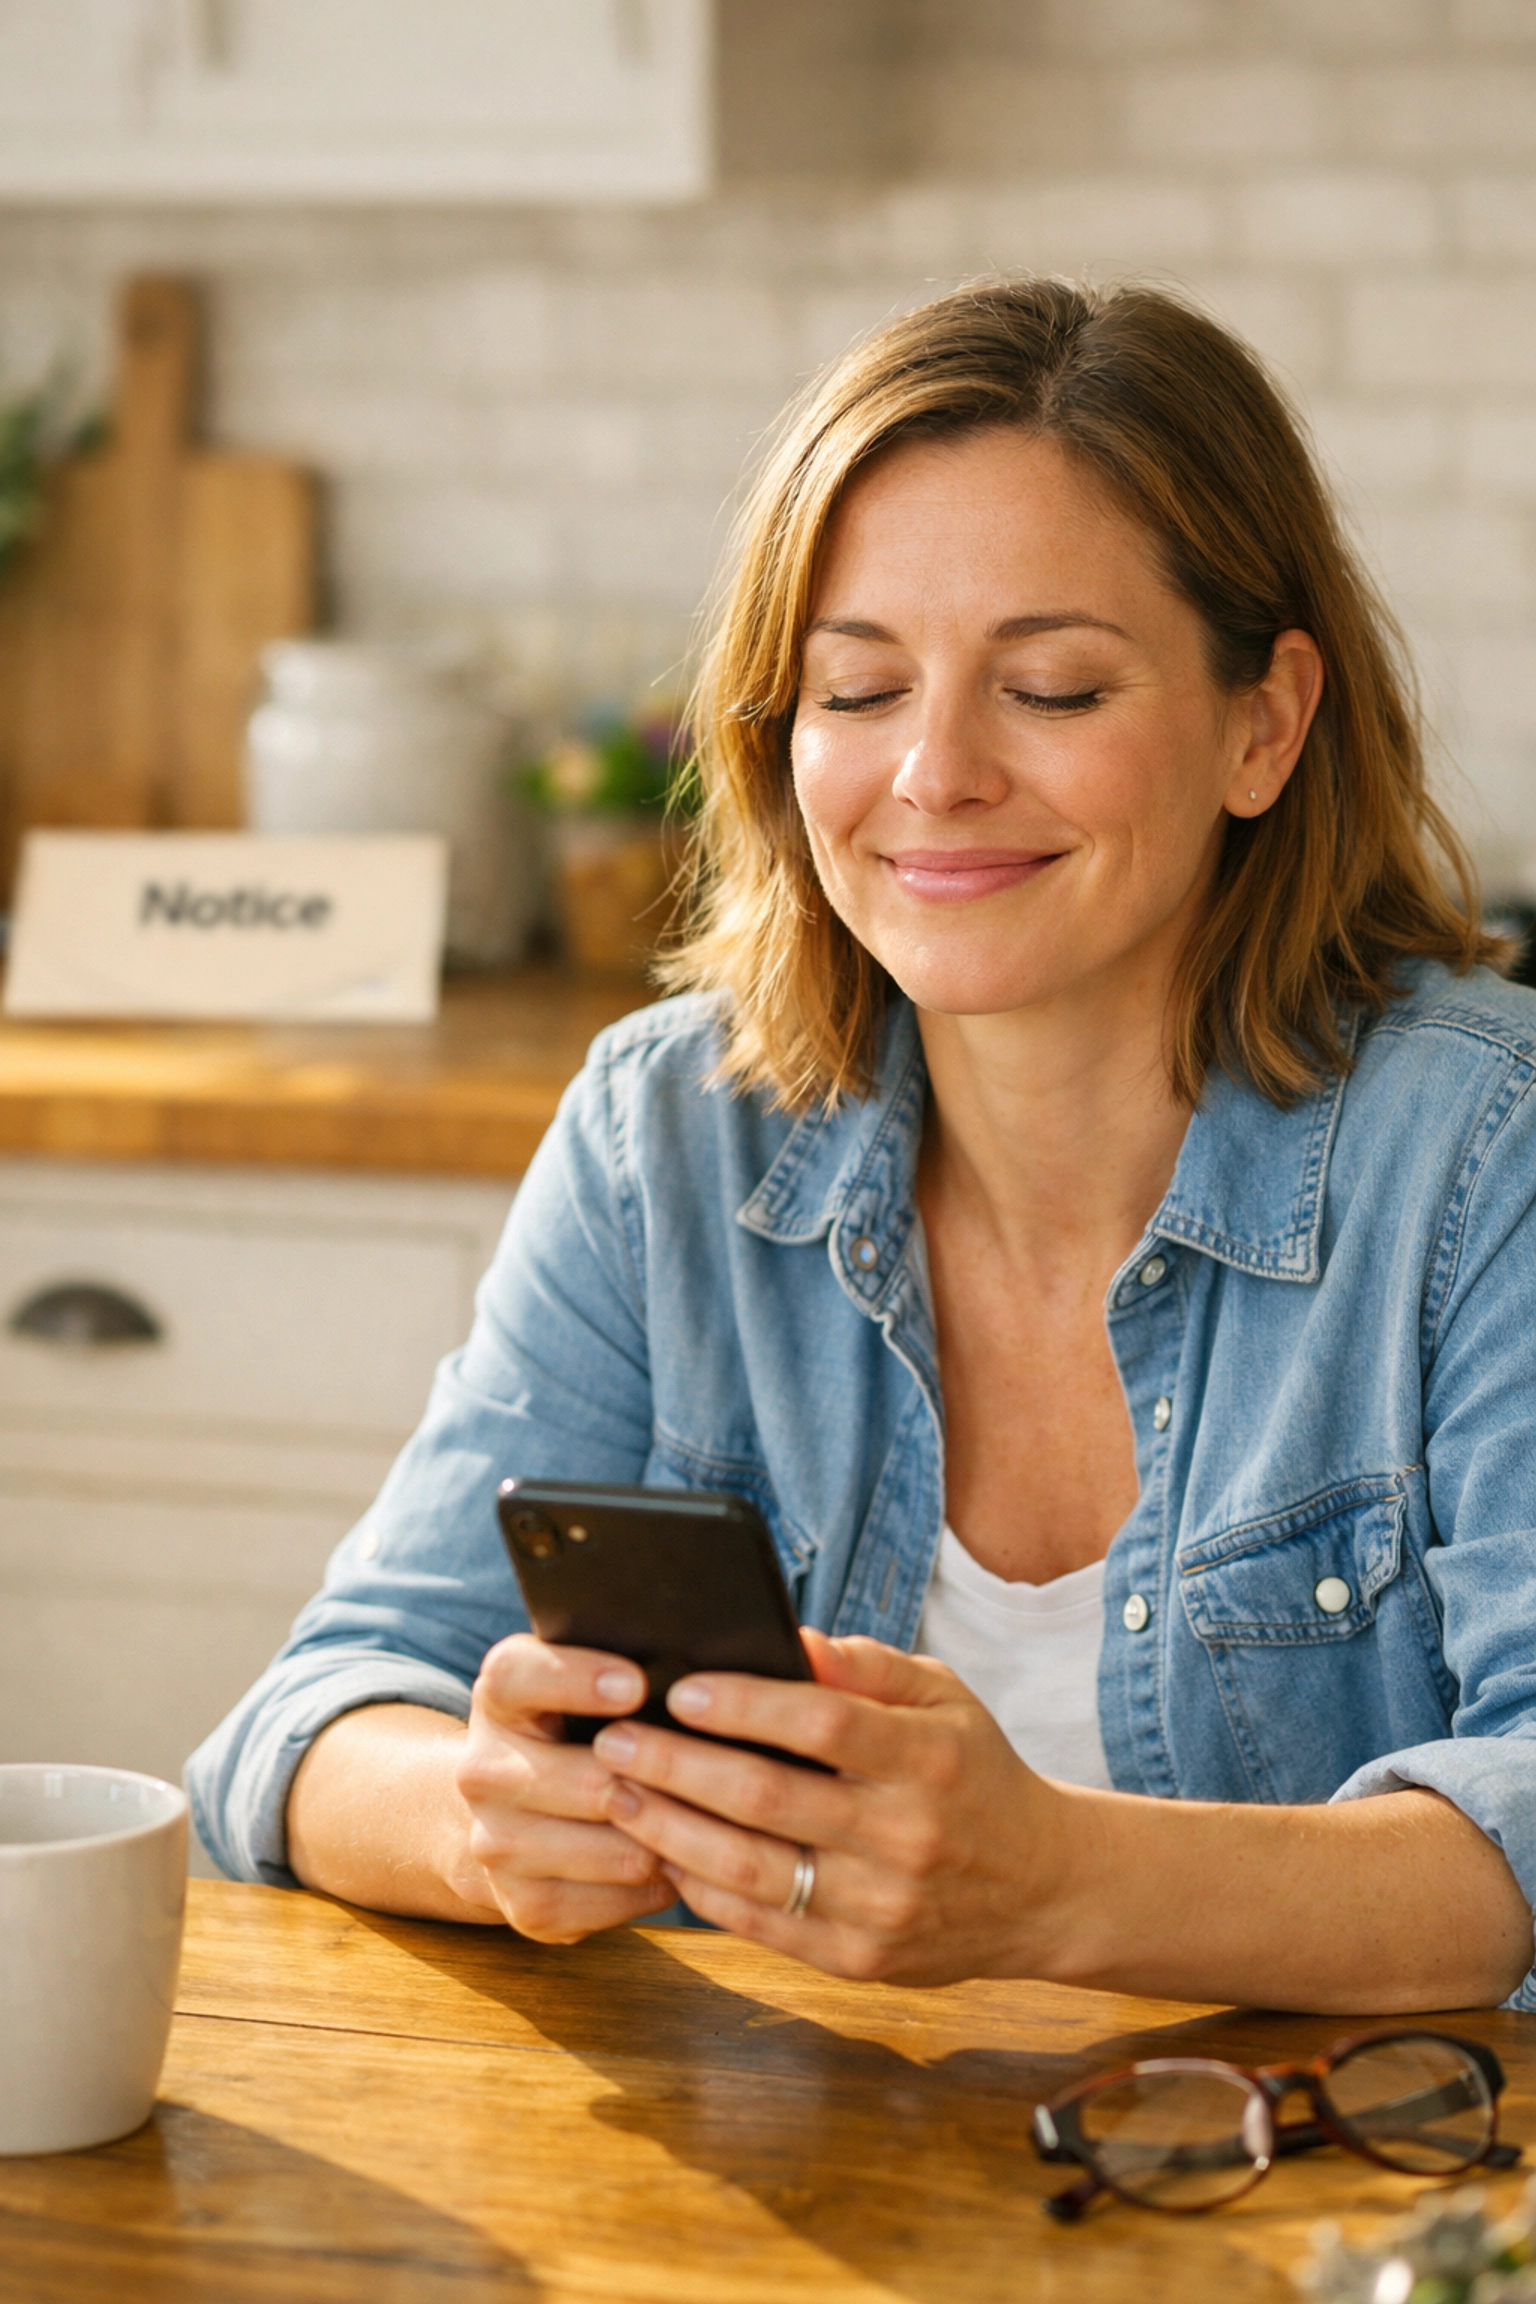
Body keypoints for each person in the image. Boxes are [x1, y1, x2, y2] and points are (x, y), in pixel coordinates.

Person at [188, 278, 1536, 2015]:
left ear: (1263, 724)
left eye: (1051, 689)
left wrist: (1054, 1885)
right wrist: (488, 1816)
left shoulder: (1485, 1157)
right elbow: (307, 1721)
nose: (936, 772)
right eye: (859, 688)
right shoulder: (666, 1131)